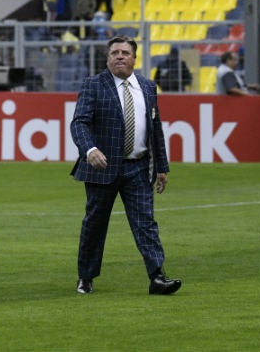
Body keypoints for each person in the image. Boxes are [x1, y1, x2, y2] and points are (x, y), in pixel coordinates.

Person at [70, 35, 180, 296]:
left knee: (146, 223)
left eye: (125, 52)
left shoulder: (147, 87)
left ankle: (157, 277)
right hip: (102, 166)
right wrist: (90, 149)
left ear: (134, 58)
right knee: (95, 223)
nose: (119, 56)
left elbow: (155, 128)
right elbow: (79, 123)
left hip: (138, 167)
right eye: (115, 52)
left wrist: (162, 166)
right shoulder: (93, 85)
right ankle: (86, 277)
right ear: (107, 58)